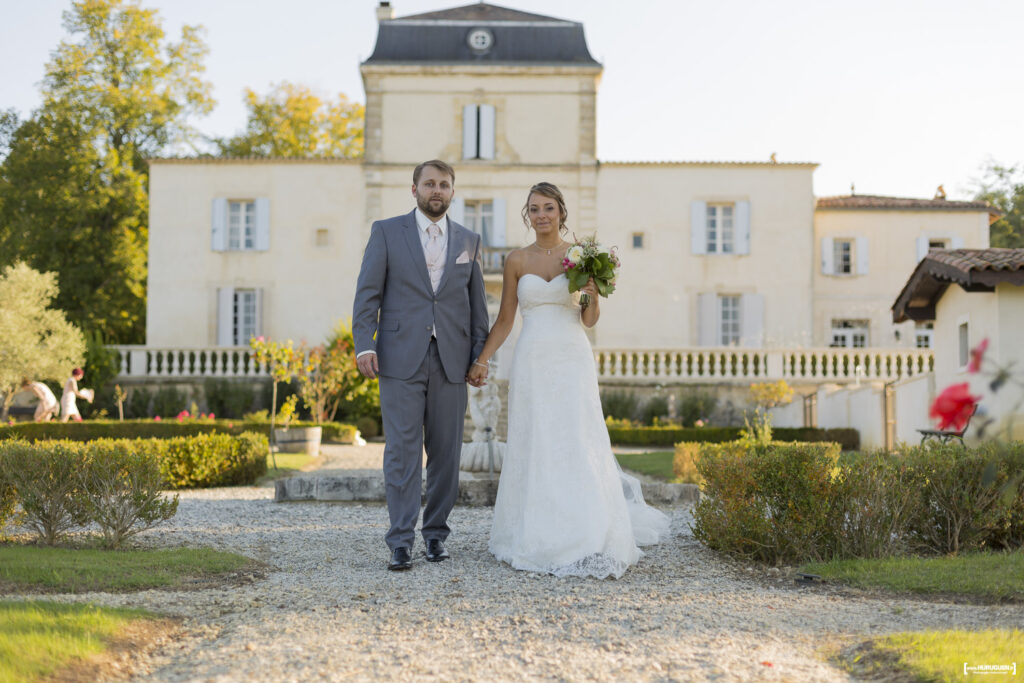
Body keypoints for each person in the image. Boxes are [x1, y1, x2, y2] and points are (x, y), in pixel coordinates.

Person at [467, 182, 669, 579]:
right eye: (534, 209)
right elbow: (506, 319)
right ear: (528, 215)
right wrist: (482, 360)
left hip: (571, 355)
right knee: (537, 438)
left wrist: (592, 294)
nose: (542, 215)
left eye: (548, 208)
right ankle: (535, 529)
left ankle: (586, 529)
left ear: (561, 211)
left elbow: (589, 320)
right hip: (531, 358)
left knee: (575, 437)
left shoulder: (580, 256)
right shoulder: (516, 260)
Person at [353, 160, 489, 571]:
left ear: (452, 192)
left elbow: (476, 307)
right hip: (398, 357)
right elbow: (367, 294)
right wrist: (364, 345)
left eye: (444, 185)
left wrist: (479, 356)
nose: (437, 190)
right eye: (429, 183)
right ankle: (400, 541)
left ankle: (435, 536)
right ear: (414, 189)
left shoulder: (468, 240)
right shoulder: (386, 231)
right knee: (402, 452)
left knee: (447, 454)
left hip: (452, 360)